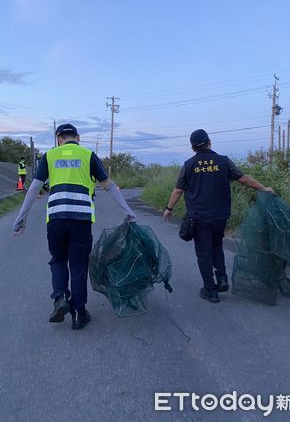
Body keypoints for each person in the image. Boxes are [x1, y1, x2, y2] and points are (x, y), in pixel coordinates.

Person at [13, 124, 136, 330]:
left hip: (56, 220)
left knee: (58, 260)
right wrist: (128, 212)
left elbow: (34, 187)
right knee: (78, 265)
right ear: (77, 138)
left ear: (58, 138)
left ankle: (60, 297)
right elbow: (109, 186)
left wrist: (21, 217)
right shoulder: (88, 155)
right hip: (81, 220)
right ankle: (78, 314)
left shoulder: (50, 155)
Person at [163, 129, 275, 303]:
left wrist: (169, 208)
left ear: (193, 147)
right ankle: (222, 279)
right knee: (217, 245)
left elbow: (178, 190)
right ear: (209, 142)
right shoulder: (223, 161)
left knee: (203, 252)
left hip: (199, 218)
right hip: (220, 216)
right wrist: (264, 188)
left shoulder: (189, 164)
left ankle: (210, 290)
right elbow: (244, 179)